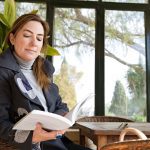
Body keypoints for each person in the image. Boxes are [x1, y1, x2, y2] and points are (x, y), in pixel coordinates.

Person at [0, 13, 92, 150]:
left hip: (57, 142)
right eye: (27, 36)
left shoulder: (44, 70)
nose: (33, 43)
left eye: (39, 38)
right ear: (12, 38)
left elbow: (60, 105)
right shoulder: (2, 72)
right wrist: (32, 138)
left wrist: (62, 119)